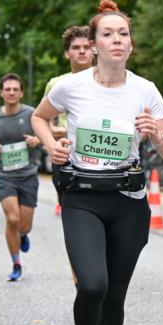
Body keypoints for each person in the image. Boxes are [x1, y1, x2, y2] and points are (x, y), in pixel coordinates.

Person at [32, 0, 163, 325]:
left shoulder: (145, 90)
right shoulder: (70, 87)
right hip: (82, 198)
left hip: (129, 201)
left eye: (124, 34)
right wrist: (51, 146)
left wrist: (156, 134)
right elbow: (39, 118)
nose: (117, 40)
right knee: (93, 284)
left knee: (115, 293)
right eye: (108, 34)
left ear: (131, 45)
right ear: (94, 44)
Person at [0, 74, 42, 281]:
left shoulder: (31, 113)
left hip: (28, 174)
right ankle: (16, 263)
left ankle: (23, 234)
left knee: (24, 225)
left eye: (15, 89)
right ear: (1, 93)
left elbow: (44, 133)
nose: (11, 92)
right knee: (12, 218)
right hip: (4, 174)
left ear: (20, 92)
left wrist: (37, 140)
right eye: (7, 89)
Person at [43, 25, 95, 217]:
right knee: (71, 206)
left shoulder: (107, 79)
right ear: (67, 53)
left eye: (86, 47)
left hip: (96, 153)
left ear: (94, 50)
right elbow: (43, 119)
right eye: (75, 47)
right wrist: (54, 136)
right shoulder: (57, 83)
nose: (82, 51)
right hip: (66, 155)